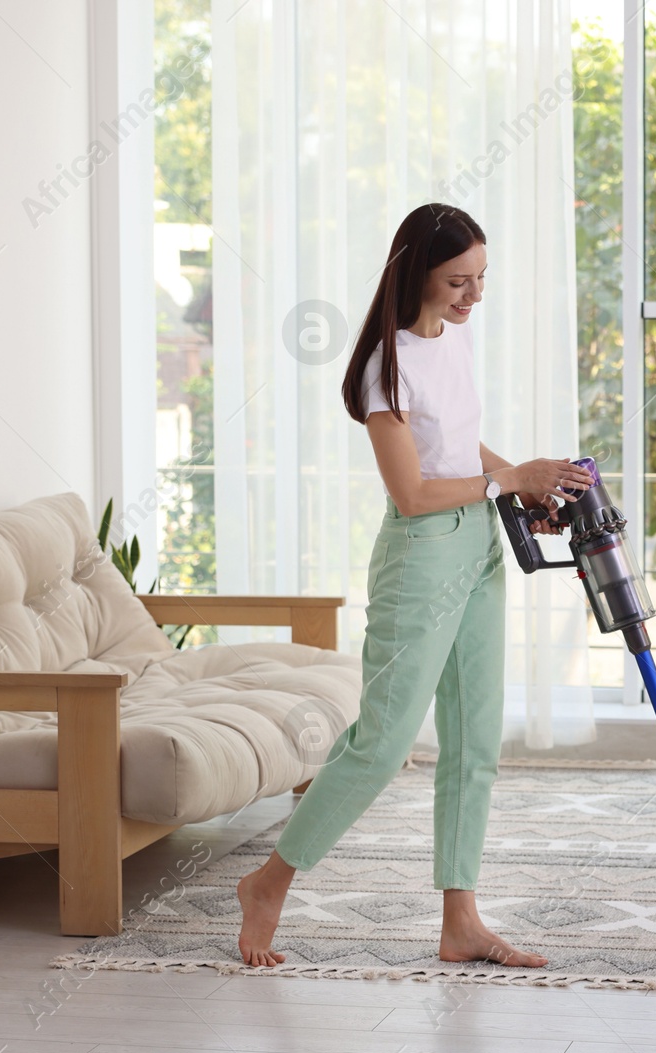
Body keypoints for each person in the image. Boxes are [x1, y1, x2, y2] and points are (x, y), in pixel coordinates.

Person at [235, 203, 592, 968]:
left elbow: (461, 447)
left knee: (474, 740)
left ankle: (460, 919)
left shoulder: (450, 344)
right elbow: (414, 493)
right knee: (383, 740)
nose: (472, 296)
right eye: (458, 281)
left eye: (481, 279)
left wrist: (526, 484)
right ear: (416, 274)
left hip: (480, 549)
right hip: (421, 555)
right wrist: (507, 478)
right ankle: (268, 882)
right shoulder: (383, 367)